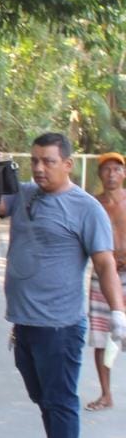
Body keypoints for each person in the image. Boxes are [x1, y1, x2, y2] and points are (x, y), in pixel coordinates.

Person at [0, 133, 126, 438]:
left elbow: (104, 263)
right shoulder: (25, 196)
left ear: (68, 164)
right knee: (45, 398)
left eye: (48, 161)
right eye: (35, 160)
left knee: (59, 401)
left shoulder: (86, 208)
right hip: (25, 323)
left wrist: (118, 313)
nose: (39, 168)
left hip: (60, 327)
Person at [87, 152, 126, 411]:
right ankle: (105, 394)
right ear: (100, 174)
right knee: (102, 337)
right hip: (103, 277)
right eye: (106, 170)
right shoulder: (93, 204)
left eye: (116, 169)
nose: (111, 174)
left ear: (123, 174)